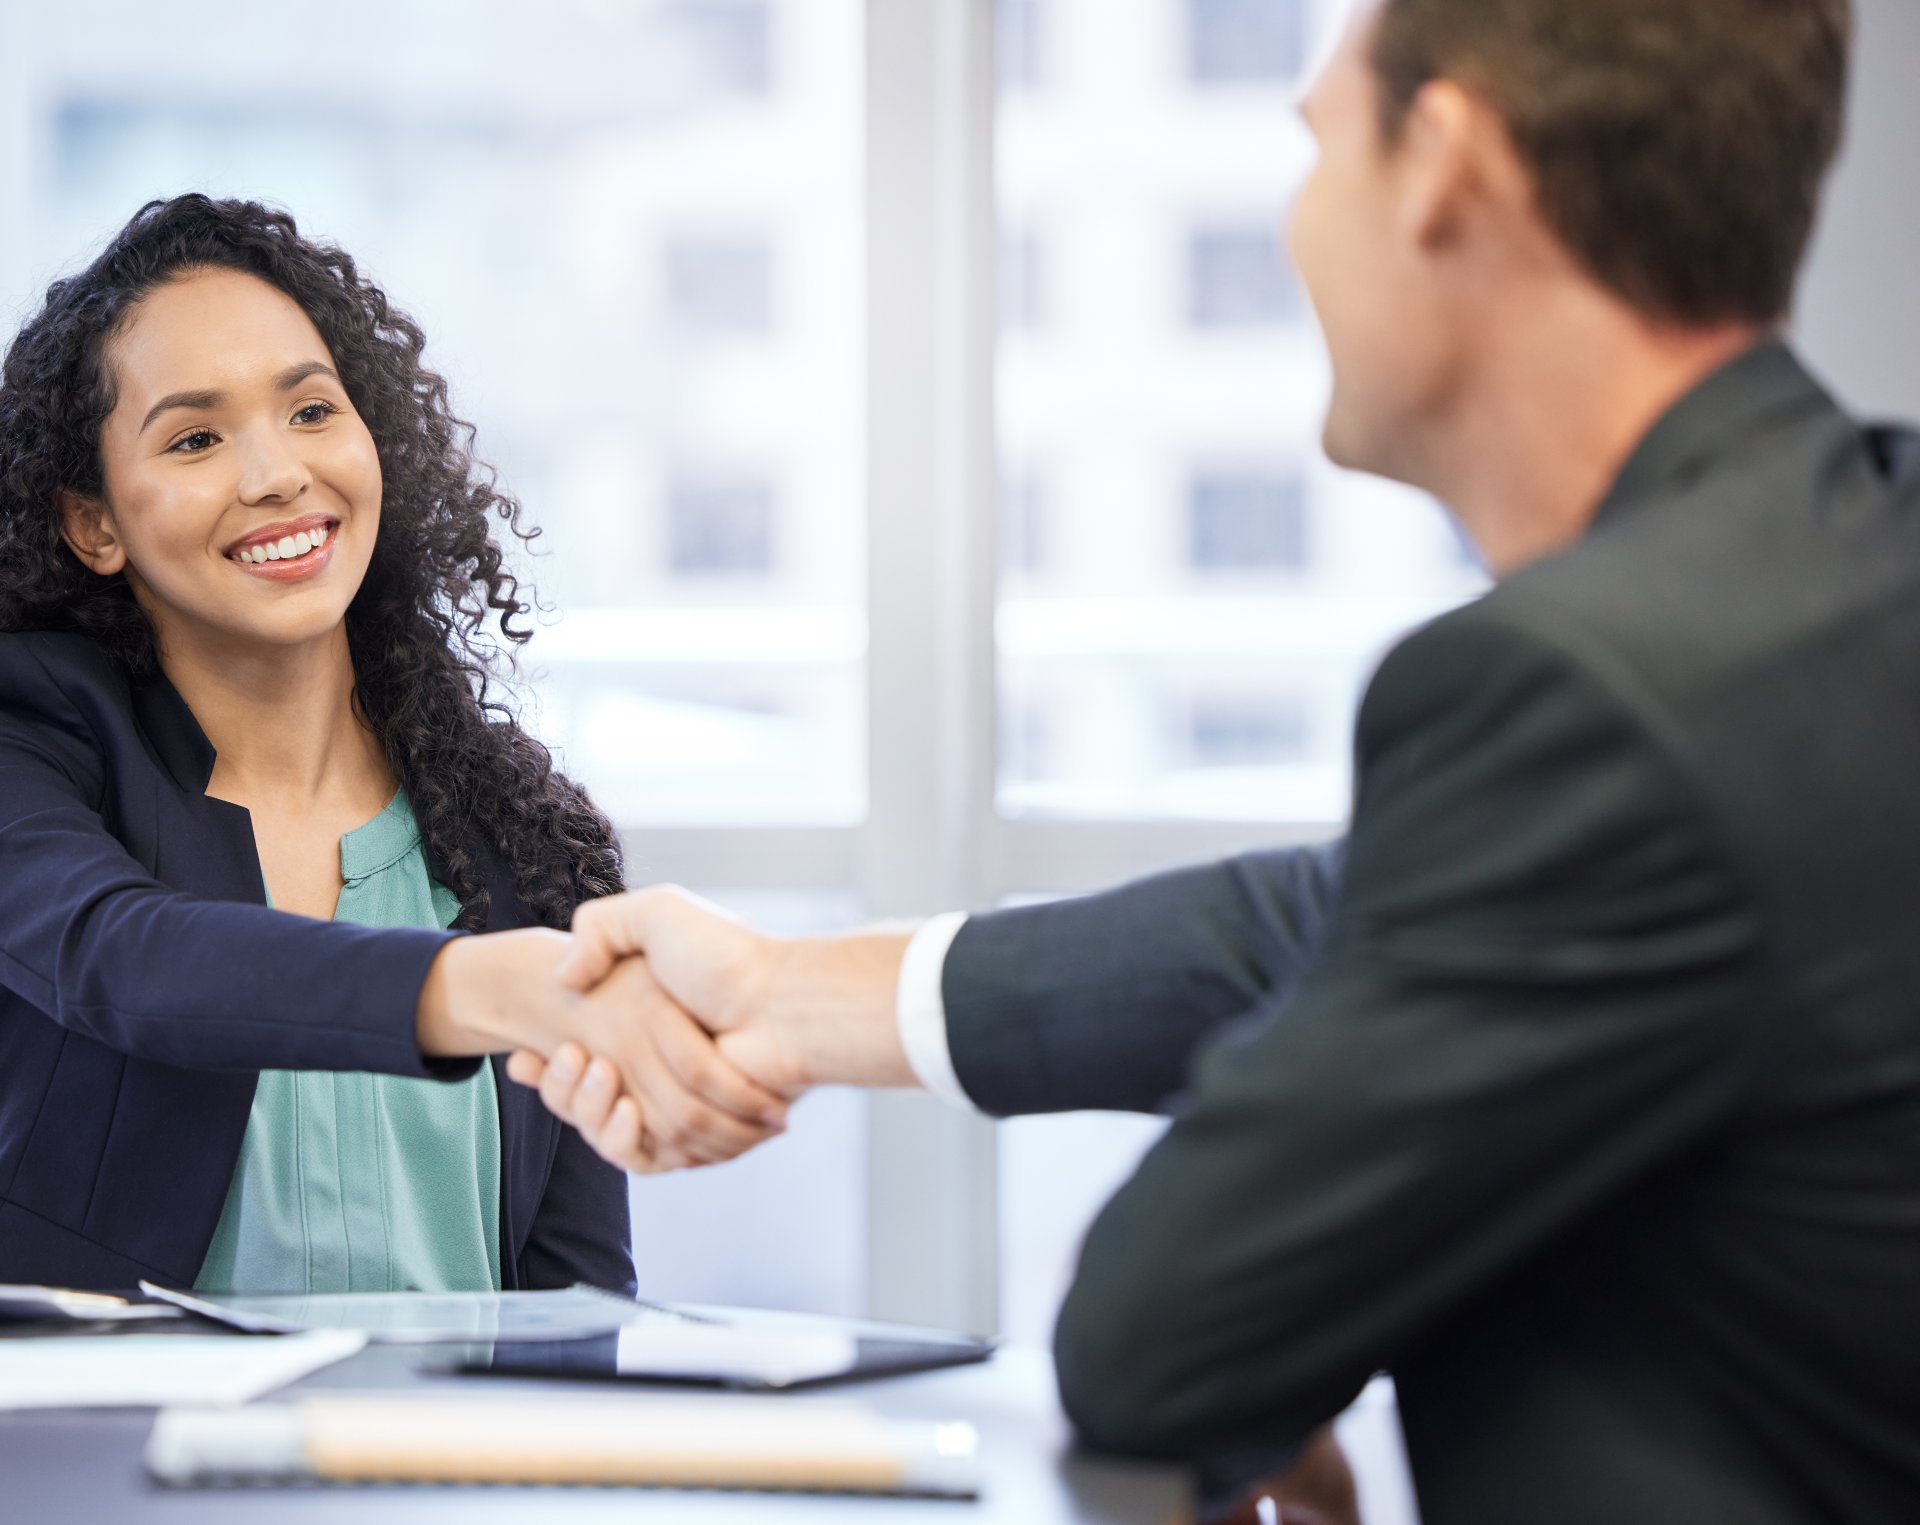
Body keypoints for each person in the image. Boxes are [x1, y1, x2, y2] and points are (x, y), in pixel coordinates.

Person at [516, 0, 1920, 1519]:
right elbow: (1328, 921)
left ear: (1444, 166)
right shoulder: (1845, 573)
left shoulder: (1580, 693)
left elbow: (1155, 1345)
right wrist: (789, 1001)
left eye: (1317, 147)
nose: (1296, 229)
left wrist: (1276, 1340)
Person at [0, 194, 788, 1294]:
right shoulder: (32, 740)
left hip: (441, 1464)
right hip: (112, 1460)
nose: (276, 473)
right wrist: (491, 988)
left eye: (312, 411)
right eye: (195, 437)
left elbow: (573, 1308)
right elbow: (118, 956)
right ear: (94, 522)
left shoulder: (520, 845)